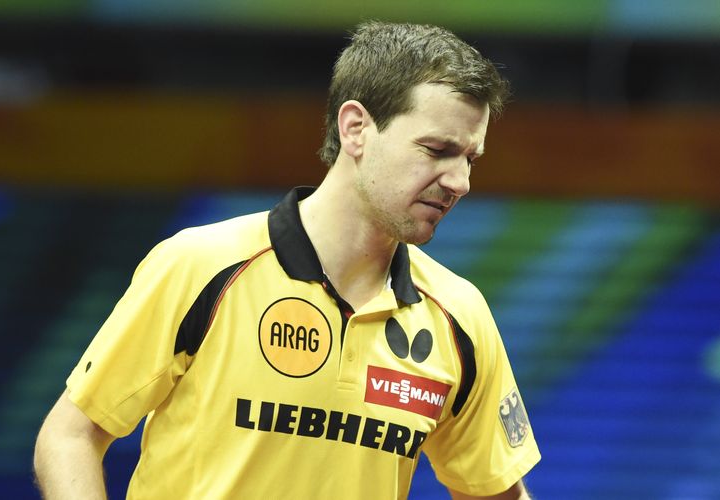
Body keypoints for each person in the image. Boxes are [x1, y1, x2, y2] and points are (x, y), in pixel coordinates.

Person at [34, 21, 540, 499]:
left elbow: (494, 491)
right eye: (436, 150)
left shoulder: (459, 314)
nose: (460, 182)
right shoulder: (200, 264)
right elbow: (70, 437)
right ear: (356, 128)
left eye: (470, 159)